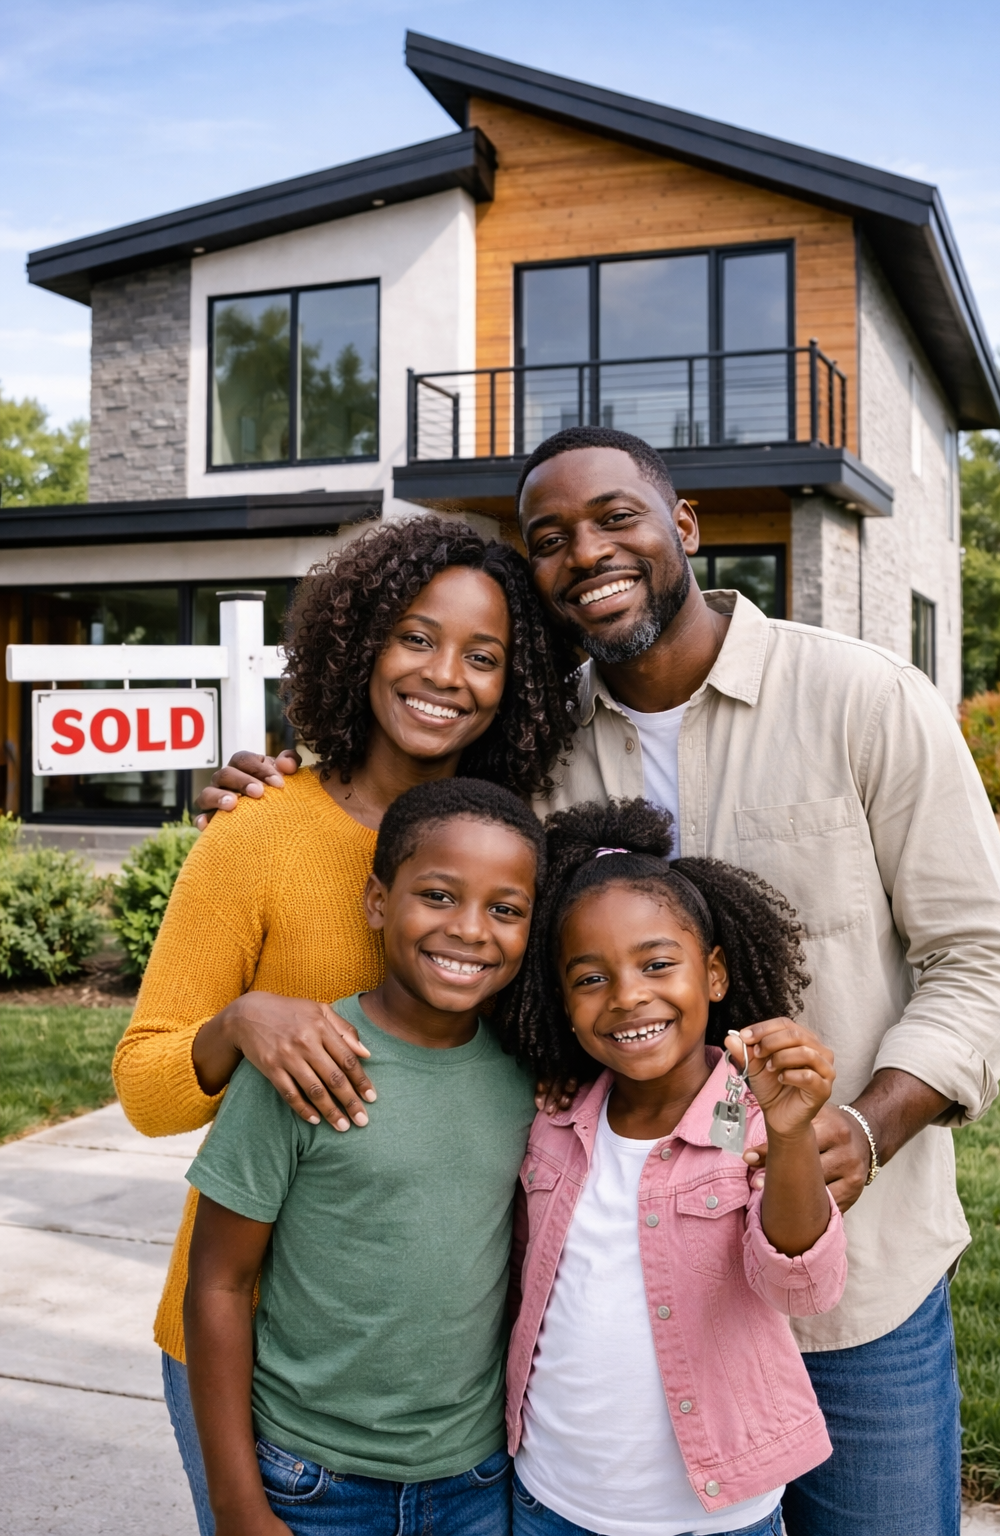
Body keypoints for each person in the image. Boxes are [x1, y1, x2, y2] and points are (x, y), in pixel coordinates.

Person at [209, 426, 1000, 1536]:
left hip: (850, 1290)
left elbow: (981, 958)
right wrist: (285, 788)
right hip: (624, 1319)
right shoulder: (534, 754)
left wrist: (867, 1129)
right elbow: (426, 849)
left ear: (683, 525)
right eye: (548, 538)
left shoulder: (862, 697)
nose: (584, 551)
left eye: (615, 517)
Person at [112, 516, 577, 1535]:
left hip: (437, 1401)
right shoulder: (260, 830)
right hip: (254, 1370)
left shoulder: (513, 849)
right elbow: (145, 1087)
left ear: (515, 681)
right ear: (360, 642)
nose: (444, 673)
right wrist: (242, 1020)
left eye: (483, 654)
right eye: (415, 636)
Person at [184, 778, 545, 1536]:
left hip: (475, 1480)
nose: (471, 930)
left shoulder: (528, 1081)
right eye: (438, 896)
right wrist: (238, 1505)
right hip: (310, 1483)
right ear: (378, 901)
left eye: (504, 909)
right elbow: (218, 1282)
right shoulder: (304, 1061)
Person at [497, 797, 847, 1536]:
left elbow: (802, 1282)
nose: (628, 996)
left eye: (658, 964)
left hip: (717, 1516)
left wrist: (789, 1136)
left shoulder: (757, 1116)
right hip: (552, 1500)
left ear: (714, 975)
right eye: (590, 978)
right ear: (561, 1001)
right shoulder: (553, 1120)